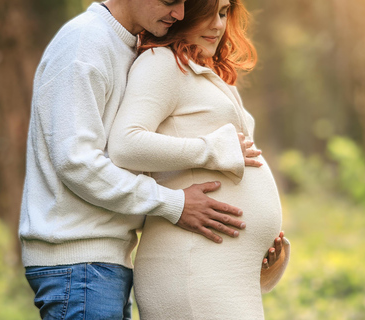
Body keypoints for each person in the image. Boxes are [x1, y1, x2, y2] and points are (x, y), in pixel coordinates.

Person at [19, 0, 285, 319]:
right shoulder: (84, 42)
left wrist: (249, 246)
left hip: (107, 261)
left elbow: (147, 161)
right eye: (170, 0)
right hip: (79, 262)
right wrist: (174, 203)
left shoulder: (131, 49)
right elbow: (77, 161)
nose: (181, 14)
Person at [107, 0, 291, 318]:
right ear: (185, 11)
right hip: (192, 267)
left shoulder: (207, 73)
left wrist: (263, 250)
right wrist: (211, 150)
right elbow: (125, 145)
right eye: (208, 13)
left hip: (221, 269)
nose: (218, 25)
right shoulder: (160, 63)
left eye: (223, 12)